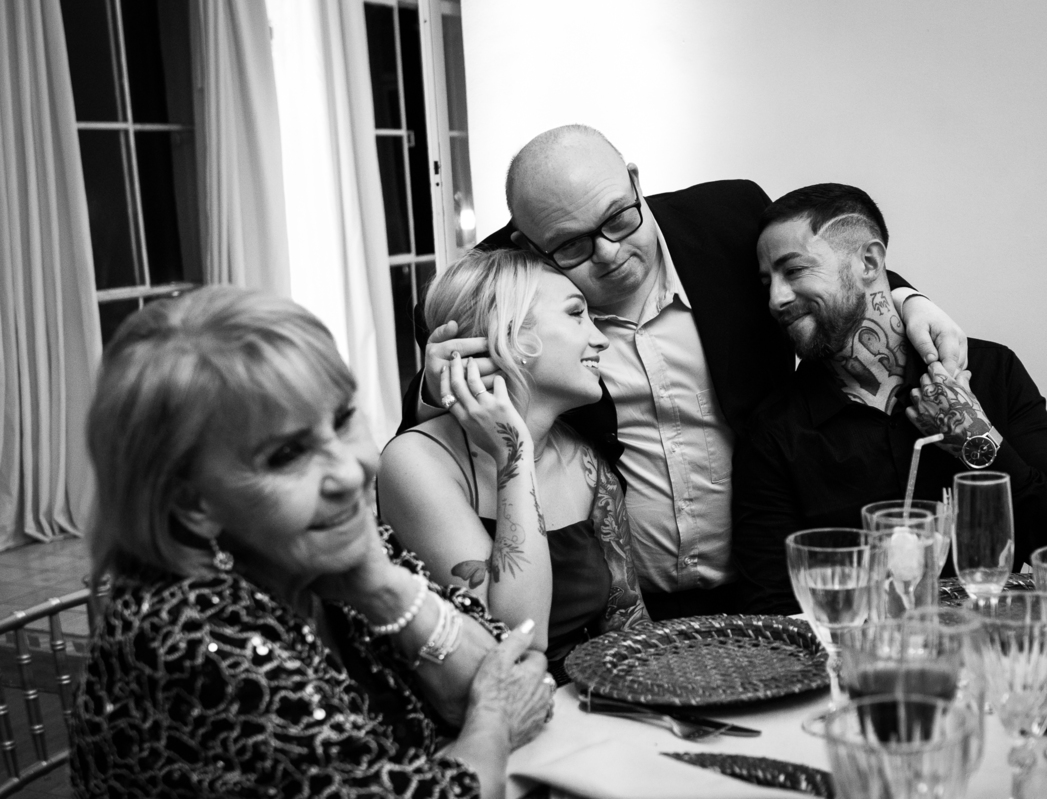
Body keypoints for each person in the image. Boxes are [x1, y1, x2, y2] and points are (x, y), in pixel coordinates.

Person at [402, 124, 969, 619]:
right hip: (630, 603)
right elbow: (431, 421)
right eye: (572, 245)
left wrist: (907, 298)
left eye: (619, 219)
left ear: (635, 182)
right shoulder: (515, 279)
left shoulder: (728, 217)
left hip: (771, 582)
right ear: (529, 244)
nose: (608, 252)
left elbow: (826, 264)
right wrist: (437, 389)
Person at [70, 286, 555, 799]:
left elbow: (512, 667)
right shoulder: (187, 633)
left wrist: (386, 589)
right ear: (192, 502)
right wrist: (493, 718)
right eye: (286, 455)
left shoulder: (324, 546)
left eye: (343, 420)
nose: (350, 472)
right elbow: (469, 752)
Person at [732, 183, 1047, 615]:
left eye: (794, 271)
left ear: (869, 262)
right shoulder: (773, 432)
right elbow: (772, 609)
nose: (776, 299)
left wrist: (977, 440)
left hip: (992, 640)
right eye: (768, 282)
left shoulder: (991, 371)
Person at [378, 249, 649, 679]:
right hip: (493, 702)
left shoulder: (586, 460)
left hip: (592, 698)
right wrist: (513, 452)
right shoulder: (414, 462)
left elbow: (628, 621)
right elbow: (516, 639)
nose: (600, 339)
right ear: (509, 335)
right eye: (576, 314)